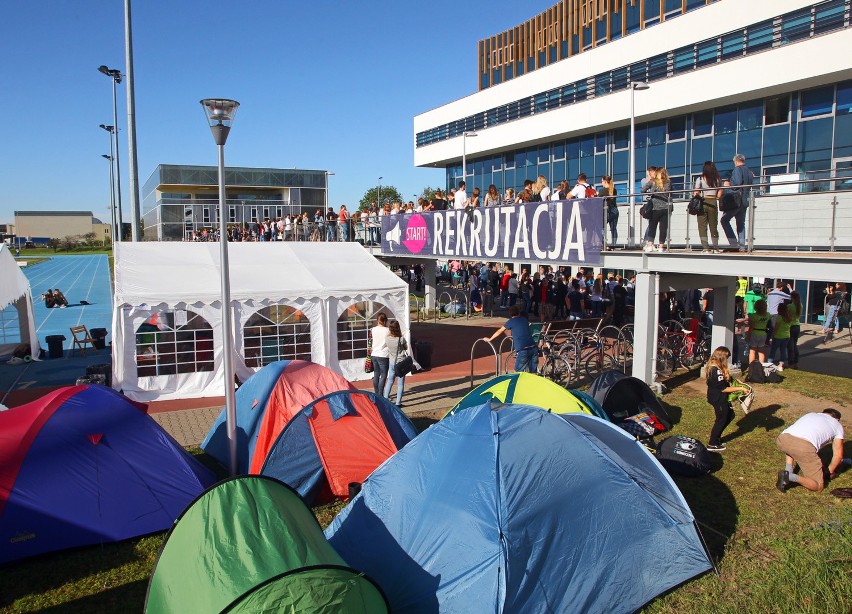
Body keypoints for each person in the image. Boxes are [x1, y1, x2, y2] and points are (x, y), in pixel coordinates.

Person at [776, 409, 845, 493]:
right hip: (803, 447)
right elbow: (838, 456)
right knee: (818, 486)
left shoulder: (811, 414)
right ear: (837, 419)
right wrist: (829, 472)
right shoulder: (837, 425)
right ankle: (790, 476)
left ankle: (788, 471)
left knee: (792, 445)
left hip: (783, 439)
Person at [705, 346, 748, 452]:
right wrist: (740, 388)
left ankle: (717, 437)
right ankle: (712, 443)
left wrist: (738, 382)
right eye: (727, 358)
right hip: (718, 399)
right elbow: (723, 388)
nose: (727, 360)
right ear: (722, 358)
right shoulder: (715, 370)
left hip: (720, 398)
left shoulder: (716, 367)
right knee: (721, 419)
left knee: (730, 415)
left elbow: (726, 379)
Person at [482, 305, 538, 373]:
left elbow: (500, 331)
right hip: (533, 347)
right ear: (518, 313)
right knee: (533, 372)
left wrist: (490, 339)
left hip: (522, 348)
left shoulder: (511, 321)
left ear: (510, 314)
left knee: (518, 371)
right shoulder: (524, 319)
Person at [721, 153, 754, 252]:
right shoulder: (749, 171)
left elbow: (736, 184)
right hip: (744, 201)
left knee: (724, 220)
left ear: (736, 161)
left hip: (736, 201)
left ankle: (733, 244)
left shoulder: (737, 169)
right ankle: (742, 246)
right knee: (741, 224)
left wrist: (728, 184)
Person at [694, 161, 723, 253]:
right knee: (713, 226)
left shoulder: (700, 179)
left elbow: (695, 192)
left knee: (702, 226)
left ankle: (706, 247)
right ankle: (716, 247)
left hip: (703, 201)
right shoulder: (717, 179)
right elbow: (719, 194)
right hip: (713, 201)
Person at [642, 167, 672, 252]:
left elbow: (643, 190)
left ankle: (650, 245)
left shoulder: (653, 182)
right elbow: (670, 193)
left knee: (652, 227)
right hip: (666, 207)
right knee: (663, 228)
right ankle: (661, 247)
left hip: (655, 208)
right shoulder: (668, 182)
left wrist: (651, 193)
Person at [383, 320, 409, 407]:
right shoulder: (401, 339)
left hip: (391, 361)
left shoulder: (387, 338)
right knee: (400, 383)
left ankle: (385, 398)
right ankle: (398, 403)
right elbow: (406, 348)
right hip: (400, 362)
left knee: (390, 380)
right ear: (398, 328)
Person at [769, 299, 793, 371]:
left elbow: (776, 328)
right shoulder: (789, 317)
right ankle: (781, 365)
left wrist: (773, 335)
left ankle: (769, 363)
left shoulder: (779, 318)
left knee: (773, 350)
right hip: (786, 336)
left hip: (778, 336)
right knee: (783, 351)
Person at [370, 313, 390, 397]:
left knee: (376, 374)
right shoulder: (388, 330)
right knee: (384, 375)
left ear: (377, 320)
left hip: (374, 353)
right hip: (384, 354)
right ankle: (380, 394)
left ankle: (376, 393)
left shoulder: (373, 329)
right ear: (385, 320)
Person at [746, 299, 770, 364]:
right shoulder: (768, 315)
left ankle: (751, 366)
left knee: (752, 351)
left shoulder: (753, 316)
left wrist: (748, 336)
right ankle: (761, 365)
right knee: (761, 351)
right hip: (763, 333)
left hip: (755, 333)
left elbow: (751, 327)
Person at [599, 175, 618, 249]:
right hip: (615, 210)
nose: (601, 183)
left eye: (602, 181)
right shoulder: (614, 190)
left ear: (605, 181)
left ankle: (603, 243)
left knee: (601, 227)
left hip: (606, 210)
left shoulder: (602, 191)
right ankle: (613, 245)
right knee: (613, 229)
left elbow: (598, 200)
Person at [787, 291, 802, 369]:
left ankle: (791, 362)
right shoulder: (800, 306)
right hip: (797, 326)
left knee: (790, 346)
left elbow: (787, 316)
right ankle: (795, 361)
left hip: (791, 326)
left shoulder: (790, 306)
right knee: (795, 344)